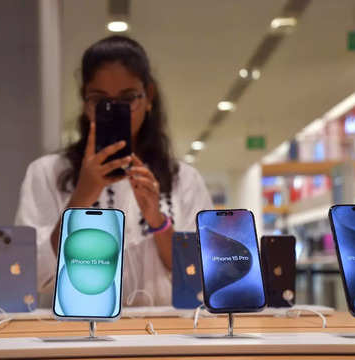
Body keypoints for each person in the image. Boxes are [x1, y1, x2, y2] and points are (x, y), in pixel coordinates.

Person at [15, 35, 212, 307]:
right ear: (85, 101)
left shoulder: (183, 179)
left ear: (149, 96)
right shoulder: (47, 172)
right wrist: (81, 198)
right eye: (100, 100)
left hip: (164, 335)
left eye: (128, 98)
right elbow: (27, 275)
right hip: (78, 335)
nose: (117, 110)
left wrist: (158, 220)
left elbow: (200, 278)